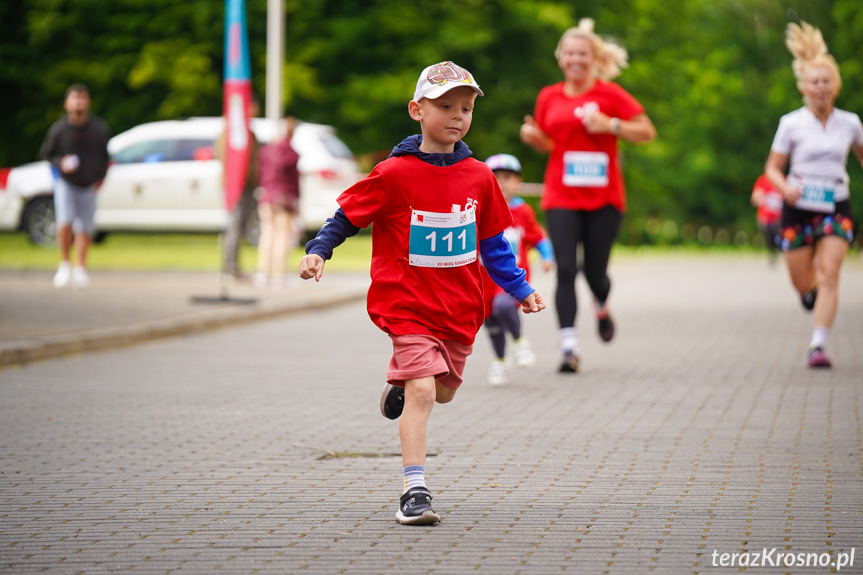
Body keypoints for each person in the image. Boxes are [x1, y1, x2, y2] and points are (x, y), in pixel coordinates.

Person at [298, 61, 545, 525]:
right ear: (417, 110)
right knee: (425, 394)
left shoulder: (479, 177)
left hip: (459, 307)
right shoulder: (393, 173)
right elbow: (346, 217)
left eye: (466, 108)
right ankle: (415, 492)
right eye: (445, 105)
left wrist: (520, 288)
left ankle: (402, 383)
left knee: (444, 391)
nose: (457, 115)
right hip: (406, 305)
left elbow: (493, 244)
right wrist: (319, 251)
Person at [519, 19, 656, 373]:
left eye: (582, 53)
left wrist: (611, 125)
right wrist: (535, 139)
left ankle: (601, 304)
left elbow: (646, 130)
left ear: (595, 58)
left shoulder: (610, 94)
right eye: (569, 53)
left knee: (595, 273)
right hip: (561, 195)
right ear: (560, 58)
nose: (575, 59)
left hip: (605, 198)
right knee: (565, 268)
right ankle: (569, 347)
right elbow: (551, 141)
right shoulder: (548, 95)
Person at [764, 21, 863, 369]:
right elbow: (772, 169)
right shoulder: (791, 123)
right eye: (814, 82)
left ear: (836, 86)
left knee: (830, 273)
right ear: (803, 87)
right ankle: (812, 298)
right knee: (804, 283)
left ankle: (817, 345)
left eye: (826, 81)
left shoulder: (850, 123)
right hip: (798, 206)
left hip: (836, 205)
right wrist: (784, 186)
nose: (820, 87)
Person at [481, 153, 554, 386]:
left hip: (511, 279)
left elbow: (538, 237)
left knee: (503, 305)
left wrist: (547, 256)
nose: (501, 182)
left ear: (518, 182)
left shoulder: (522, 212)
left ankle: (520, 342)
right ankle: (500, 362)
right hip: (483, 279)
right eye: (496, 177)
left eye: (507, 177)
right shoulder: (478, 207)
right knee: (491, 322)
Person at [40, 84, 111, 289]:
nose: (78, 103)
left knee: (85, 226)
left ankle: (80, 267)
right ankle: (64, 265)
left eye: (82, 98)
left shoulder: (98, 128)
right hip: (66, 183)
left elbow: (105, 158)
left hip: (89, 184)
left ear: (87, 102)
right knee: (65, 222)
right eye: (74, 99)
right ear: (67, 103)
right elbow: (48, 154)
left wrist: (100, 178)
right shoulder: (59, 129)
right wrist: (61, 163)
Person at [254, 117, 301, 288]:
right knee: (282, 237)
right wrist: (298, 201)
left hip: (266, 196)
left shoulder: (265, 151)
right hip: (284, 199)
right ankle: (279, 274)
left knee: (266, 235)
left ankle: (263, 273)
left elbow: (259, 172)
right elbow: (295, 181)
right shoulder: (292, 153)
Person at [216, 99, 260, 278]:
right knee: (234, 225)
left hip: (249, 185)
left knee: (243, 226)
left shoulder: (250, 133)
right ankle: (229, 267)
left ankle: (235, 265)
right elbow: (224, 156)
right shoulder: (231, 132)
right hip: (235, 185)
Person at [750, 173, 783, 263]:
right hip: (765, 218)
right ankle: (772, 253)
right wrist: (757, 197)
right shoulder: (762, 180)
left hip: (778, 218)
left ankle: (781, 251)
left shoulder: (783, 179)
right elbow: (754, 198)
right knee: (768, 238)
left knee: (779, 236)